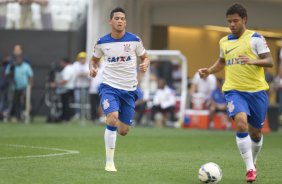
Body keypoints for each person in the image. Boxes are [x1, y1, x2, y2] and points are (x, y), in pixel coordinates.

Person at [198, 4, 273, 182]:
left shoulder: (256, 38)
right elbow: (222, 61)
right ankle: (249, 170)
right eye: (229, 21)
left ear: (244, 20)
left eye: (235, 21)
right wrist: (209, 71)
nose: (232, 24)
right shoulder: (224, 41)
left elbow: (269, 61)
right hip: (233, 90)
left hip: (256, 92)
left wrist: (253, 61)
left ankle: (253, 162)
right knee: (241, 124)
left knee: (256, 133)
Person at [89, 7, 150, 172]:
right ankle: (109, 162)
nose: (120, 21)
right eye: (116, 18)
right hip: (109, 87)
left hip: (129, 90)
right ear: (110, 21)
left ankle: (118, 125)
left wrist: (145, 63)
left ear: (126, 22)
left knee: (123, 131)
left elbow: (145, 56)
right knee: (112, 118)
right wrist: (92, 68)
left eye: (122, 18)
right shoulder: (102, 42)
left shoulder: (135, 40)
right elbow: (93, 60)